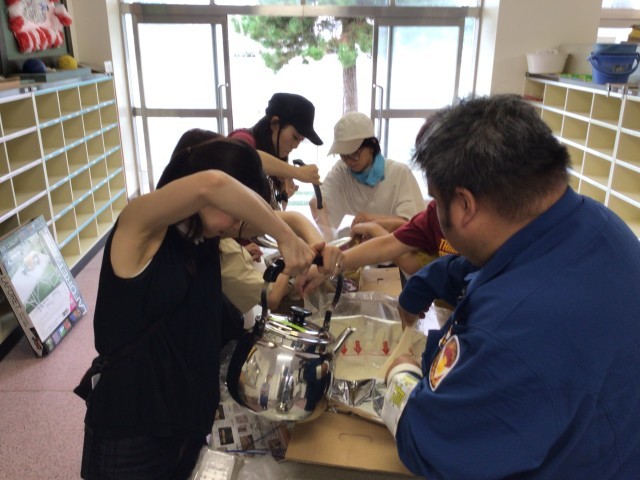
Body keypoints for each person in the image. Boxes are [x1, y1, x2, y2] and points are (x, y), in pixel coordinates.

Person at [381, 95, 640, 478]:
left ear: (464, 205)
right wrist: (428, 280)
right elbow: (496, 262)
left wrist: (400, 375)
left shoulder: (515, 330)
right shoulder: (594, 221)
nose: (434, 212)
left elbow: (428, 441)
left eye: (435, 200)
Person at [80, 132, 342, 479]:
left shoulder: (203, 234)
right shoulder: (140, 226)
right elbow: (214, 185)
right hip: (131, 431)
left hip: (186, 423)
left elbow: (288, 218)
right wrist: (284, 237)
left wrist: (315, 245)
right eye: (235, 212)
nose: (237, 225)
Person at [310, 111, 424, 240]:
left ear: (372, 145)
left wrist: (373, 220)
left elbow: (414, 225)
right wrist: (329, 237)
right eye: (343, 155)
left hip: (392, 250)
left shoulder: (399, 173)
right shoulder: (341, 171)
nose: (349, 161)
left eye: (354, 154)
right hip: (353, 249)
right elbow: (317, 202)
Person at [229, 92, 323, 210]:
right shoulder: (242, 138)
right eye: (295, 137)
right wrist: (297, 172)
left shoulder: (273, 161)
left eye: (301, 140)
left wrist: (282, 196)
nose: (295, 146)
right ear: (275, 123)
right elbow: (249, 158)